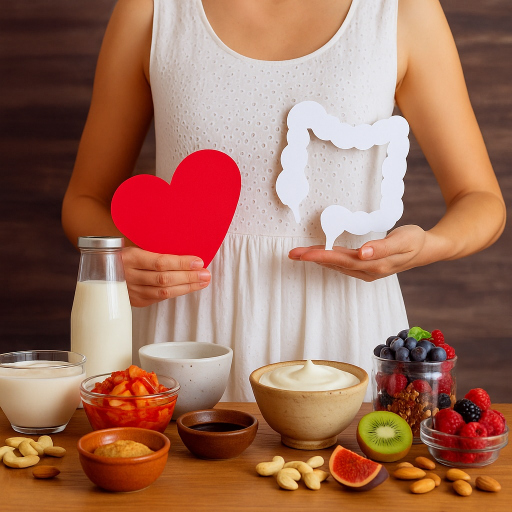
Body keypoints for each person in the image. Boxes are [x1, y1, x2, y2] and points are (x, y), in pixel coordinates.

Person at [62, 0, 505, 401]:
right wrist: (116, 259)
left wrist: (427, 246)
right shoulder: (153, 11)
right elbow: (84, 199)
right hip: (185, 335)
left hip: (342, 332)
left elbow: (481, 200)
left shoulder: (401, 11)